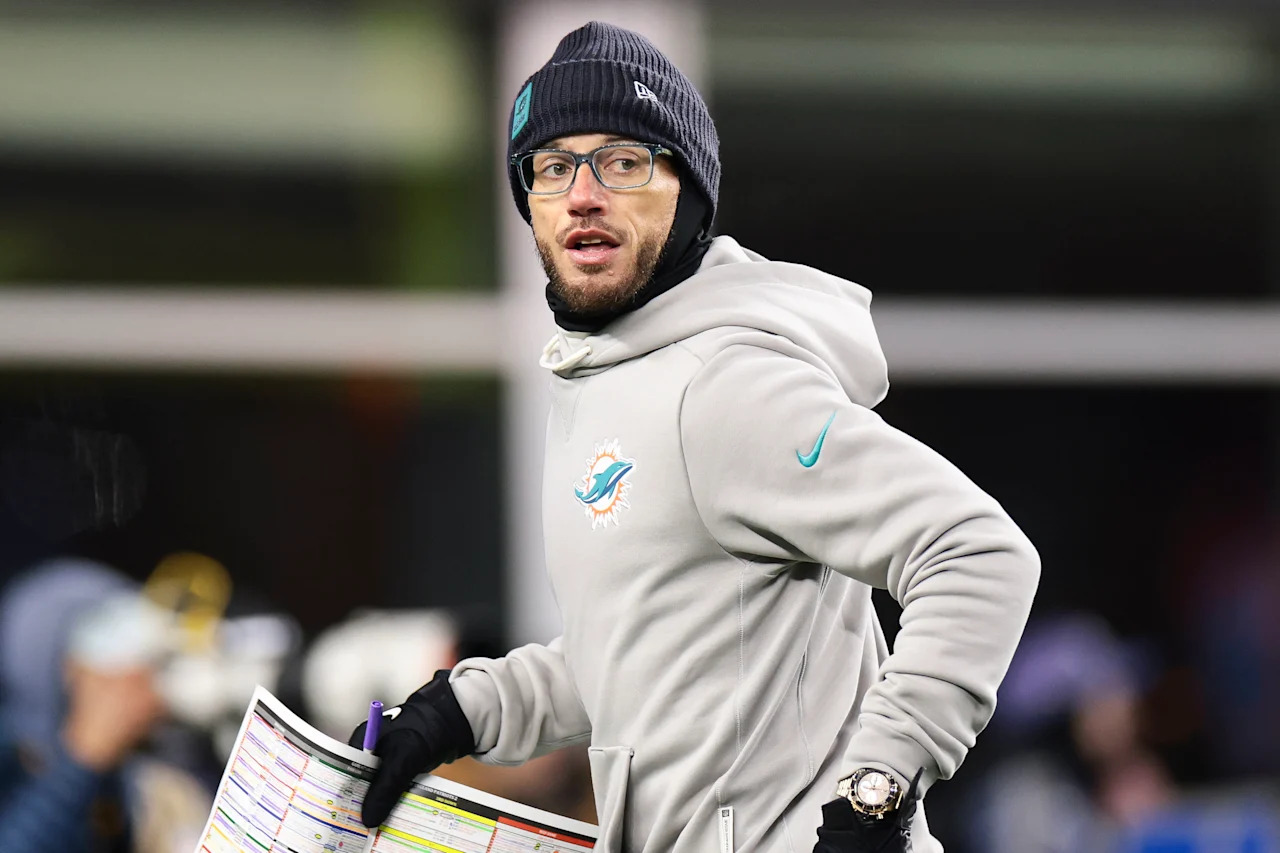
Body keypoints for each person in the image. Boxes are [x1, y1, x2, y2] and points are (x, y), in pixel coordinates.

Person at [352, 21, 1040, 853]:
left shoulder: (727, 383)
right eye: (553, 166)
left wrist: (876, 792)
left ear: (688, 190)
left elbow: (977, 551)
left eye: (624, 161)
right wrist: (468, 708)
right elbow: (649, 654)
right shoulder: (598, 382)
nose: (583, 193)